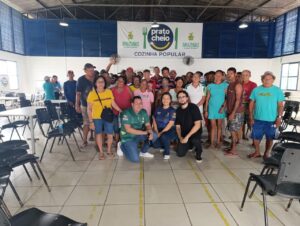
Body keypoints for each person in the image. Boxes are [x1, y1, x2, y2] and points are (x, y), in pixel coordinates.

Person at [248, 71, 284, 159]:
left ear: (273, 80)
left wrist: (279, 117)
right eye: (265, 79)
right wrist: (251, 116)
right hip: (258, 118)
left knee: (270, 138)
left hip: (271, 119)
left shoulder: (277, 90)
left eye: (269, 79)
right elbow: (251, 103)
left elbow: (280, 105)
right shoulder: (256, 90)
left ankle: (266, 153)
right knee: (256, 137)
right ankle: (257, 152)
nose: (267, 80)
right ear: (262, 80)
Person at [87, 75, 122, 160]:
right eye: (99, 82)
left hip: (108, 116)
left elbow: (113, 103)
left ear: (105, 83)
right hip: (97, 118)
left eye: (102, 82)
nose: (101, 83)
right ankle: (101, 152)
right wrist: (91, 121)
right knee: (98, 134)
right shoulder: (92, 94)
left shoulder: (108, 92)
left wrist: (120, 110)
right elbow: (89, 109)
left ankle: (109, 151)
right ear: (95, 83)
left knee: (110, 134)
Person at [120, 96, 157, 162]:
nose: (139, 105)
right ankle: (121, 146)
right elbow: (128, 129)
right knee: (135, 159)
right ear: (132, 104)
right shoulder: (126, 113)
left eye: (140, 103)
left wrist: (150, 132)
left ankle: (143, 152)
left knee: (154, 136)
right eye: (137, 103)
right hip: (128, 137)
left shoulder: (143, 112)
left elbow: (148, 124)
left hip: (139, 135)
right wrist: (145, 132)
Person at [175, 90, 203, 162]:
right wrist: (180, 137)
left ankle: (199, 151)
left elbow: (197, 125)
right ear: (178, 99)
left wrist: (187, 137)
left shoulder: (194, 107)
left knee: (195, 140)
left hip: (195, 132)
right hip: (184, 134)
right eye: (179, 97)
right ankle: (190, 145)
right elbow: (178, 126)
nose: (181, 99)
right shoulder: (178, 110)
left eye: (183, 97)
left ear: (187, 98)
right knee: (180, 153)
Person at [204, 70, 228, 148]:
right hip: (212, 108)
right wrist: (206, 110)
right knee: (213, 126)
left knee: (219, 125)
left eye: (219, 75)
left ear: (222, 76)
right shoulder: (210, 86)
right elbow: (207, 99)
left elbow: (227, 98)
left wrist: (223, 107)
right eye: (216, 75)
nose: (217, 76)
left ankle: (218, 142)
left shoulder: (225, 85)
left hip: (220, 109)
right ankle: (211, 143)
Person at [224, 67, 244, 156]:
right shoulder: (229, 84)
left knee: (233, 131)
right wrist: (223, 107)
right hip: (230, 110)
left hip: (236, 112)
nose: (229, 75)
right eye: (227, 73)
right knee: (231, 129)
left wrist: (233, 113)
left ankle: (234, 150)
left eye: (231, 73)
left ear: (235, 74)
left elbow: (238, 100)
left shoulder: (237, 85)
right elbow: (228, 98)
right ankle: (232, 146)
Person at [76, 63, 96, 147]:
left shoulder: (96, 77)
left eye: (93, 70)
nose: (92, 71)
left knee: (95, 122)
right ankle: (84, 140)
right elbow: (78, 93)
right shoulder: (81, 79)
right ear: (85, 70)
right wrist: (77, 104)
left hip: (96, 105)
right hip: (85, 104)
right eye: (90, 70)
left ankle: (93, 137)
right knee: (86, 123)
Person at [152, 92, 177, 160]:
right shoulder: (158, 108)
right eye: (164, 98)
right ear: (161, 99)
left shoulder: (172, 110)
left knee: (163, 136)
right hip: (159, 128)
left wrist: (160, 133)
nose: (165, 100)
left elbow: (170, 124)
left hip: (170, 129)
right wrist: (156, 131)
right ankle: (165, 144)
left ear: (170, 100)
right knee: (155, 144)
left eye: (167, 98)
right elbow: (154, 119)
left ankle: (167, 152)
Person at [111, 76, 133, 145]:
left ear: (124, 82)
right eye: (119, 80)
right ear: (116, 81)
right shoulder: (112, 89)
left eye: (122, 81)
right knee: (116, 128)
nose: (120, 82)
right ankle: (117, 142)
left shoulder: (127, 88)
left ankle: (125, 141)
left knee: (125, 127)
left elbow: (133, 98)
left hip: (126, 112)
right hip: (115, 112)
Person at [241, 70, 257, 140]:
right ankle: (243, 135)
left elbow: (253, 97)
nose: (244, 76)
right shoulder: (239, 84)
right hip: (240, 106)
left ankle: (254, 140)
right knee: (242, 122)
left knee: (250, 123)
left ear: (250, 76)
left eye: (246, 75)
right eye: (243, 75)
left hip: (249, 106)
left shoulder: (253, 84)